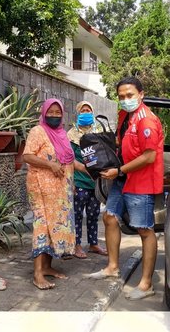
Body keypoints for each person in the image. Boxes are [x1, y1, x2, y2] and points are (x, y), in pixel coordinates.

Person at [86, 76, 164, 301]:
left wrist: (118, 171)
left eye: (130, 95)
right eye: (121, 97)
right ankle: (112, 267)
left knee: (144, 229)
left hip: (140, 181)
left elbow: (149, 157)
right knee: (109, 218)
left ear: (141, 94)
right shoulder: (125, 116)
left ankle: (146, 283)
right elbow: (122, 145)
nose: (125, 100)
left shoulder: (147, 120)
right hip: (123, 178)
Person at [23, 98, 87, 290]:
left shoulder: (62, 134)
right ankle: (37, 274)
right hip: (41, 187)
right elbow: (27, 156)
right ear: (43, 113)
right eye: (50, 112)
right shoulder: (38, 131)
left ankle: (47, 267)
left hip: (61, 189)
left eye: (57, 112)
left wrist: (89, 170)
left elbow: (69, 161)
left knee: (54, 226)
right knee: (42, 225)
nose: (54, 115)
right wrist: (50, 164)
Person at [66, 101, 108, 259]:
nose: (86, 113)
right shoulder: (71, 135)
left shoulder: (97, 132)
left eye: (88, 110)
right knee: (76, 215)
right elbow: (69, 160)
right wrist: (74, 179)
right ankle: (76, 245)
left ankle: (93, 243)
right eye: (82, 110)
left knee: (93, 213)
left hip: (94, 182)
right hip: (79, 181)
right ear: (78, 114)